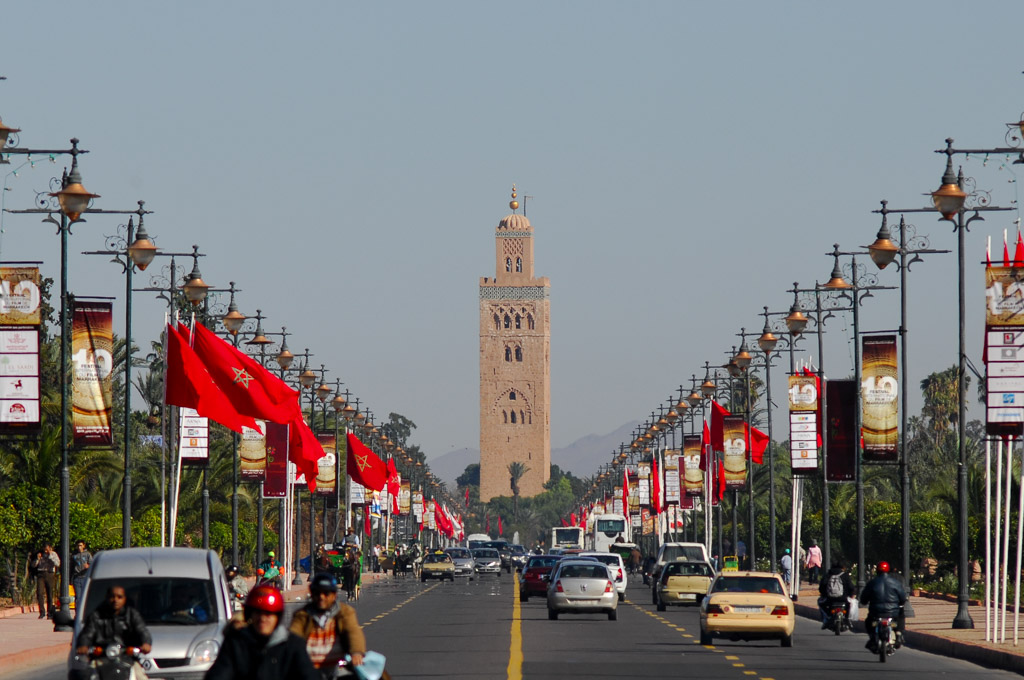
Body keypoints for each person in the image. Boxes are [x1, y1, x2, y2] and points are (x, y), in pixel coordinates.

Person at [205, 584, 318, 680]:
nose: (262, 619)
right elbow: (219, 673)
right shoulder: (236, 642)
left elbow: (308, 675)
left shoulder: (293, 645)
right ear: (250, 615)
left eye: (268, 614)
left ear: (277, 617)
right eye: (258, 613)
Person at [289, 572, 367, 678]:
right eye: (317, 593)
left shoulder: (344, 612)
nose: (321, 597)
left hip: (338, 667)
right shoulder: (302, 615)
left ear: (334, 595)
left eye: (326, 593)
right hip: (309, 669)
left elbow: (353, 632)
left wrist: (356, 652)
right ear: (312, 594)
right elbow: (294, 636)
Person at [76, 585, 152, 655]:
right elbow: (87, 633)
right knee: (87, 669)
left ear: (125, 599)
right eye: (112, 597)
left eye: (119, 597)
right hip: (101, 658)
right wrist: (83, 645)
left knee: (138, 670)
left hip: (128, 658)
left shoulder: (132, 615)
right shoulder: (96, 616)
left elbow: (142, 630)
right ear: (107, 598)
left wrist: (146, 643)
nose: (115, 600)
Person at [859, 561, 907, 652]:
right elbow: (903, 598)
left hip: (876, 612)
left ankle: (873, 638)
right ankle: (898, 634)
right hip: (892, 612)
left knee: (869, 622)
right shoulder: (895, 583)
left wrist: (864, 602)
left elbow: (864, 598)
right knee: (900, 617)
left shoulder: (872, 583)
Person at [818, 559, 855, 629]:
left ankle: (828, 617)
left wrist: (823, 594)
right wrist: (850, 595)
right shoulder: (845, 575)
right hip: (843, 598)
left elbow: (822, 586)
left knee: (820, 603)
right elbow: (851, 587)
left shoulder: (828, 575)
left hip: (830, 599)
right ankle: (847, 619)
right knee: (850, 604)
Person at [31, 543, 60, 619]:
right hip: (41, 573)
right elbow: (33, 565)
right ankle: (42, 612)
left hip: (49, 573)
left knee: (49, 593)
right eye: (45, 549)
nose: (46, 551)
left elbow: (57, 564)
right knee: (40, 593)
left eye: (47, 549)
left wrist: (50, 555)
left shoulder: (53, 554)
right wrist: (38, 559)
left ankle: (50, 612)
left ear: (50, 548)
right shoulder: (40, 554)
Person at [71, 540, 93, 617]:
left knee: (86, 597)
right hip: (77, 578)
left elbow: (92, 564)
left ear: (84, 546)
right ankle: (78, 614)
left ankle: (85, 613)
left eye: (81, 545)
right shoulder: (74, 555)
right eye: (78, 546)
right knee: (78, 597)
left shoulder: (87, 554)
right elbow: (71, 567)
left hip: (85, 578)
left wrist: (88, 566)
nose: (79, 547)